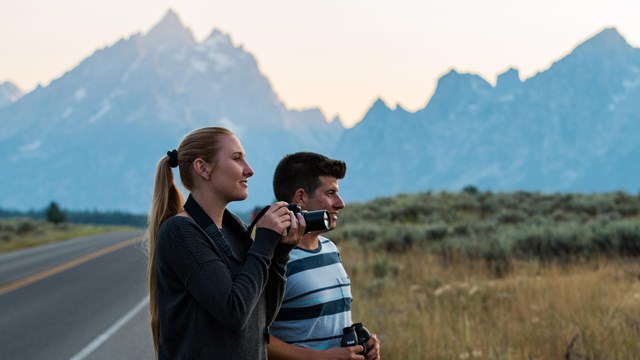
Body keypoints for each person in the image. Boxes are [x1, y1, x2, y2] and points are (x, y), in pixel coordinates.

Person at [144, 127, 305, 359]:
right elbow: (234, 311)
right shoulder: (180, 231)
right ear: (203, 168)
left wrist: (279, 253)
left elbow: (261, 317)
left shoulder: (233, 227)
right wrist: (264, 242)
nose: (249, 170)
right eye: (237, 158)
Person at [267, 152, 382, 360]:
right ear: (300, 197)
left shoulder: (330, 249)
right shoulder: (274, 259)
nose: (340, 203)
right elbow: (255, 337)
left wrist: (363, 344)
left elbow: (327, 323)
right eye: (330, 193)